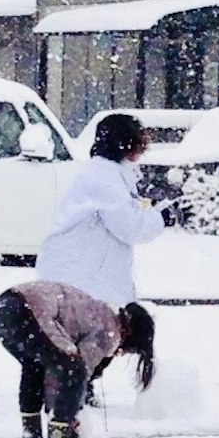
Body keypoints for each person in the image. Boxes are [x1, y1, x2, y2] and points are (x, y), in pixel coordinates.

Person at [0, 279, 160, 438]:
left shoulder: (99, 312)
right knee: (72, 368)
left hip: (2, 308)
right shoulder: (110, 332)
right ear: (130, 335)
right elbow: (75, 373)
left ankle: (32, 435)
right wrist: (69, 414)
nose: (122, 354)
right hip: (28, 309)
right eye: (130, 350)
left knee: (35, 366)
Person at [36, 111, 166, 306]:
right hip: (79, 281)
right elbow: (128, 227)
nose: (143, 150)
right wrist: (163, 218)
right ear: (125, 143)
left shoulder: (108, 172)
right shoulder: (104, 177)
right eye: (141, 143)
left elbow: (126, 214)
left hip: (84, 279)